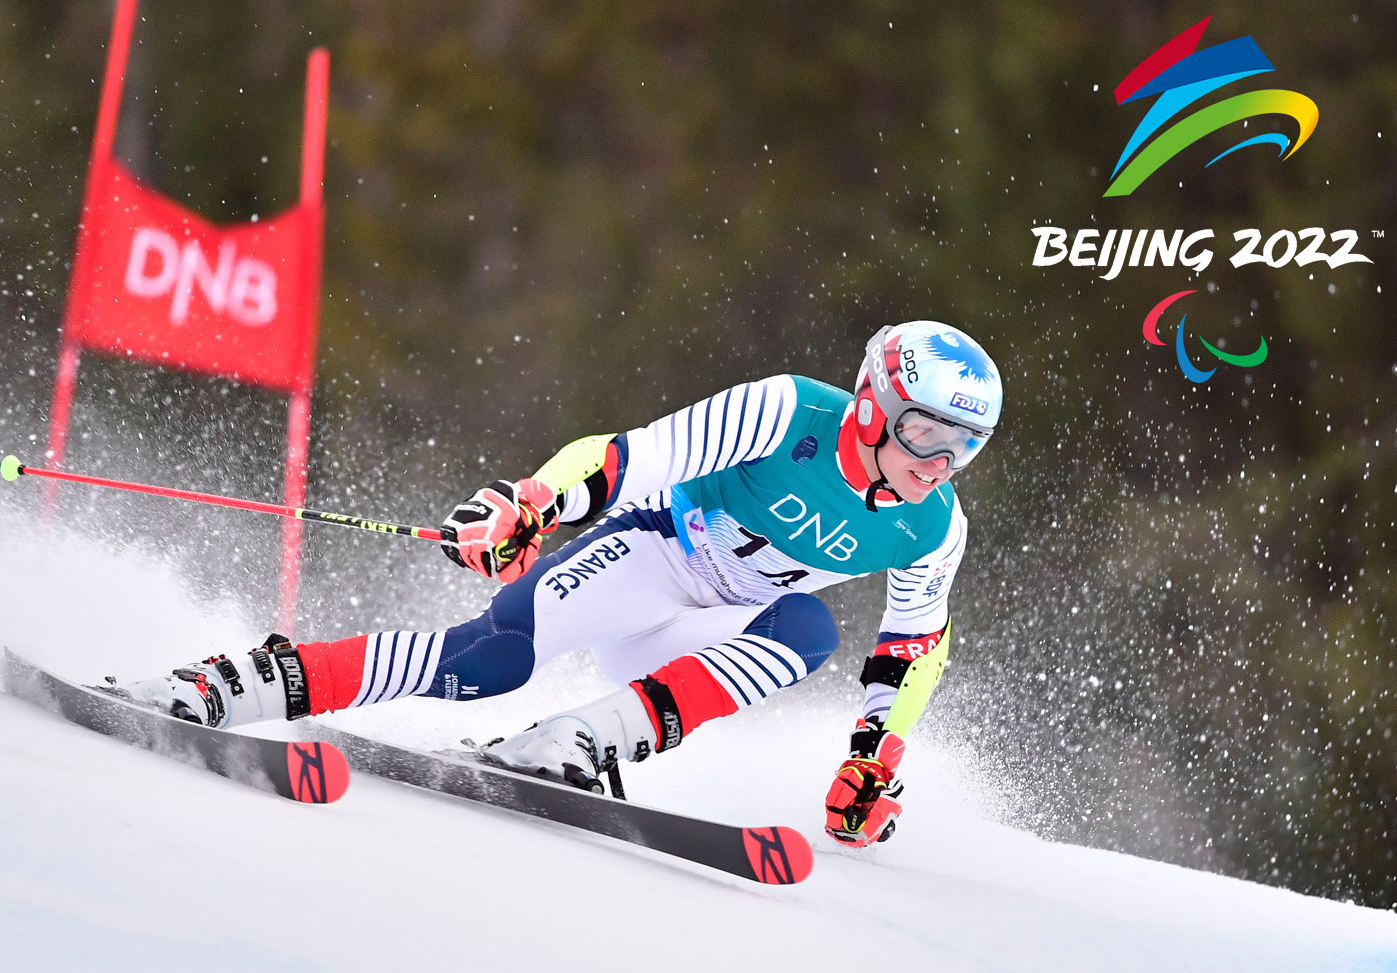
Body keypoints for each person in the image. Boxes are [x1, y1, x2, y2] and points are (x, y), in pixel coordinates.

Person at [124, 320, 1002, 847]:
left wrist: (875, 755)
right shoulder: (787, 410)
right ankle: (232, 683)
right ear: (872, 403)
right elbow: (631, 456)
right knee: (488, 659)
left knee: (808, 628)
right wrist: (535, 501)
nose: (939, 462)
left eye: (964, 446)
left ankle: (576, 742)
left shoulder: (934, 525)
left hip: (714, 626)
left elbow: (914, 645)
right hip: (654, 551)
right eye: (926, 431)